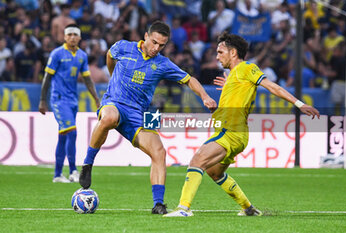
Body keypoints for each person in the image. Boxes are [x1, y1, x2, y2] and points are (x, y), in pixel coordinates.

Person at [164, 32, 320, 217]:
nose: (216, 56)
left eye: (220, 52)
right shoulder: (234, 76)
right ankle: (248, 208)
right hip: (235, 134)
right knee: (214, 172)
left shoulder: (247, 68)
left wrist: (299, 104)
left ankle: (183, 208)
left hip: (230, 132)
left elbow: (273, 87)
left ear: (233, 53)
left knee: (197, 160)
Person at [79, 21, 217, 214]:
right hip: (114, 103)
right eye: (154, 42)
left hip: (140, 113)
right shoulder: (123, 47)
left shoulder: (162, 63)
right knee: (109, 117)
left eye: (161, 45)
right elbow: (110, 55)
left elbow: (189, 79)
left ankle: (158, 204)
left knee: (159, 153)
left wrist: (205, 96)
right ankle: (87, 164)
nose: (156, 48)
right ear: (145, 36)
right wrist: (112, 76)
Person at [39, 24, 100, 183]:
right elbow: (47, 77)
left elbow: (87, 78)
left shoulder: (82, 55)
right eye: (69, 34)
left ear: (79, 37)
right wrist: (42, 100)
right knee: (72, 132)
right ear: (64, 37)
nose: (72, 37)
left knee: (63, 137)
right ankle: (73, 171)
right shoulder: (57, 54)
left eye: (75, 34)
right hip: (58, 99)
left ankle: (58, 175)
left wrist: (96, 97)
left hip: (73, 100)